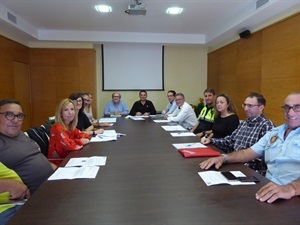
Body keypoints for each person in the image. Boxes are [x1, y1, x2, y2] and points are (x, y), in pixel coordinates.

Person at [200, 92, 300, 203]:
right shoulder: (275, 132)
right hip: (266, 188)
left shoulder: (266, 125)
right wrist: (223, 158)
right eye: (287, 107)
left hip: (292, 197)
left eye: (297, 107)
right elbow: (249, 152)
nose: (290, 113)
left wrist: (291, 189)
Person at [0, 99, 54, 195]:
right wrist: (9, 185)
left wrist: (59, 170)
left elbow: (36, 157)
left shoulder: (22, 135)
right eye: (9, 115)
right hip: (32, 200)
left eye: (19, 116)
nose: (16, 120)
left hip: (54, 185)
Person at [201, 92, 274, 153]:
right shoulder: (244, 124)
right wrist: (211, 140)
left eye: (250, 106)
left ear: (261, 107)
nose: (245, 109)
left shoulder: (266, 125)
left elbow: (265, 154)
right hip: (235, 161)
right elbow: (229, 141)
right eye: (245, 105)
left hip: (249, 167)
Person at [48, 99, 90, 165]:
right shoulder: (57, 127)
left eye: (72, 109)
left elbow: (83, 134)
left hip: (69, 158)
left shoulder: (69, 126)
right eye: (66, 110)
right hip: (59, 163)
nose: (70, 113)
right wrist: (80, 141)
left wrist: (76, 140)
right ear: (61, 113)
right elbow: (69, 145)